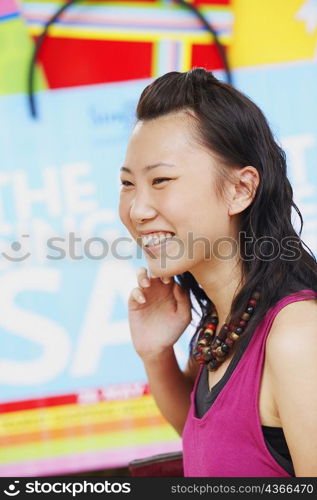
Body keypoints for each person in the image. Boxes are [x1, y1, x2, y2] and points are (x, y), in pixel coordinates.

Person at [118, 68, 317, 477]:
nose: (138, 210)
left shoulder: (298, 336)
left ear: (239, 189)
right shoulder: (221, 324)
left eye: (161, 180)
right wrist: (156, 355)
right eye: (127, 184)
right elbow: (212, 445)